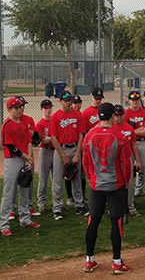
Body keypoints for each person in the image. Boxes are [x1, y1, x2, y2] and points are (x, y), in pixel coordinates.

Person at [82, 103, 132, 274]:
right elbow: (125, 163)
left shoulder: (89, 135)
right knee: (116, 222)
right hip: (115, 184)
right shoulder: (120, 135)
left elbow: (85, 160)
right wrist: (126, 182)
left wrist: (90, 178)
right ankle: (116, 262)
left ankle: (89, 260)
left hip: (96, 185)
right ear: (112, 116)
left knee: (93, 221)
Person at [0, 97, 38, 237]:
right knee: (9, 192)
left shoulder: (23, 123)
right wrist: (27, 157)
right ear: (9, 110)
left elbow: (29, 141)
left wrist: (29, 159)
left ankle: (25, 219)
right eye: (16, 107)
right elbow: (10, 147)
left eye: (20, 106)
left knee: (25, 189)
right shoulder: (6, 125)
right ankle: (3, 224)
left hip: (25, 159)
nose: (19, 109)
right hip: (13, 160)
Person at [49, 90, 88, 220]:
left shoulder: (77, 115)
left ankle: (79, 205)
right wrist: (63, 156)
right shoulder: (55, 117)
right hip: (61, 150)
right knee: (57, 180)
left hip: (75, 148)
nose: (68, 102)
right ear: (60, 101)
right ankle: (57, 208)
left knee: (77, 179)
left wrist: (78, 153)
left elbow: (81, 135)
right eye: (65, 100)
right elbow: (53, 138)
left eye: (69, 100)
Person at [112, 104, 141, 216]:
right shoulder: (110, 127)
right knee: (115, 183)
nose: (119, 118)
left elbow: (134, 144)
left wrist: (137, 160)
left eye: (121, 115)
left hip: (127, 158)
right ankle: (115, 206)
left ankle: (130, 206)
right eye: (116, 115)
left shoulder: (129, 128)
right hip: (114, 160)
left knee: (128, 182)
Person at [35, 99, 54, 214]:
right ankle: (41, 202)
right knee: (43, 179)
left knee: (56, 179)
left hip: (55, 151)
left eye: (49, 107)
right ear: (42, 110)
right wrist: (52, 139)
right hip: (45, 151)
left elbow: (53, 138)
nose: (48, 110)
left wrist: (51, 139)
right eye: (45, 108)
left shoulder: (54, 121)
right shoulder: (39, 124)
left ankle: (57, 202)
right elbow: (43, 140)